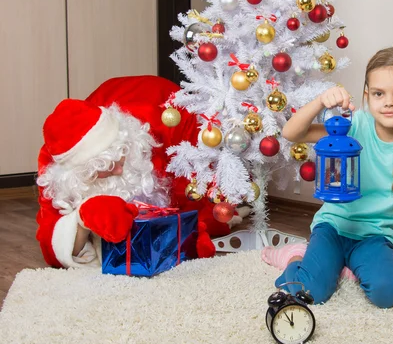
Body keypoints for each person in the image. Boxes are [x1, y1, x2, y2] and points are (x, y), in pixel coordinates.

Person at [261, 47, 393, 309]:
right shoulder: (353, 124)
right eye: (379, 93)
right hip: (334, 227)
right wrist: (321, 101)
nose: (389, 102)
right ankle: (295, 257)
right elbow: (291, 133)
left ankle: (350, 264)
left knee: (388, 294)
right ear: (367, 95)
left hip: (377, 236)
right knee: (312, 293)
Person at [36, 75, 247, 269]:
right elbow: (51, 244)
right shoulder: (59, 173)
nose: (119, 169)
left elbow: (194, 198)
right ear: (83, 174)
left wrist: (187, 237)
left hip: (172, 120)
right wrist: (82, 221)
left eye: (122, 155)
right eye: (107, 168)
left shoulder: (145, 139)